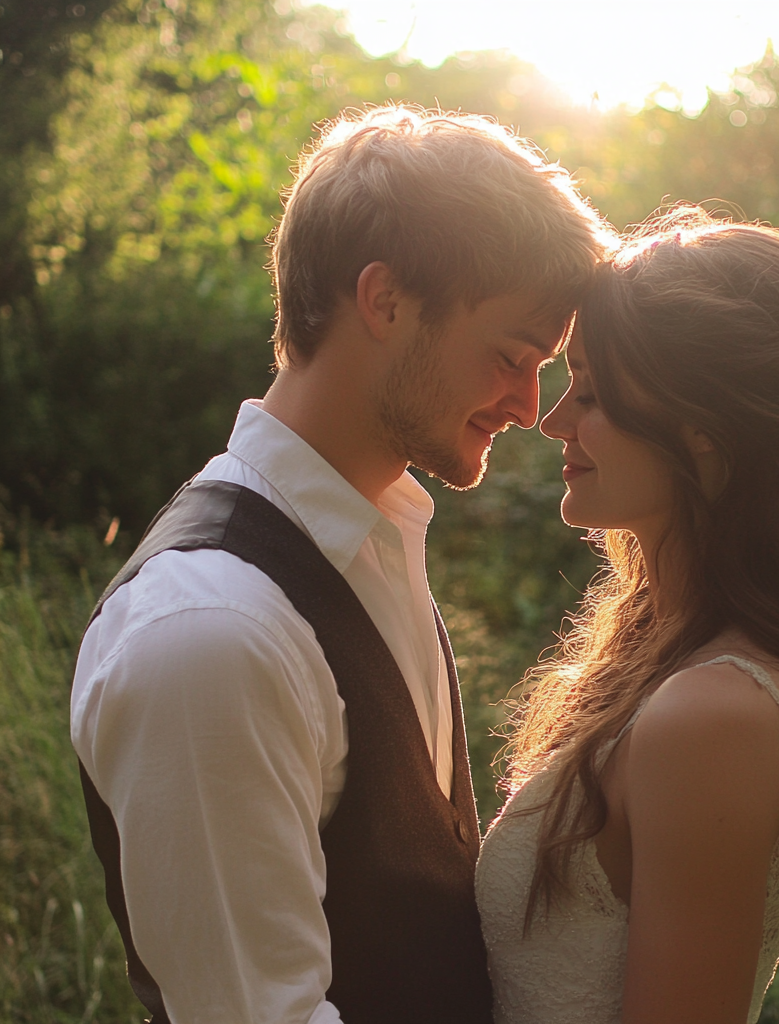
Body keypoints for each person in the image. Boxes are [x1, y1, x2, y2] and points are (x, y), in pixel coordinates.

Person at [71, 105, 611, 1024]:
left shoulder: (370, 538)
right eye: (511, 358)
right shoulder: (209, 635)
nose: (529, 405)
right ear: (385, 300)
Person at [475, 206, 779, 1024]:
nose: (553, 421)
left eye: (594, 394)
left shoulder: (716, 714)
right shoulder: (668, 649)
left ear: (704, 430)